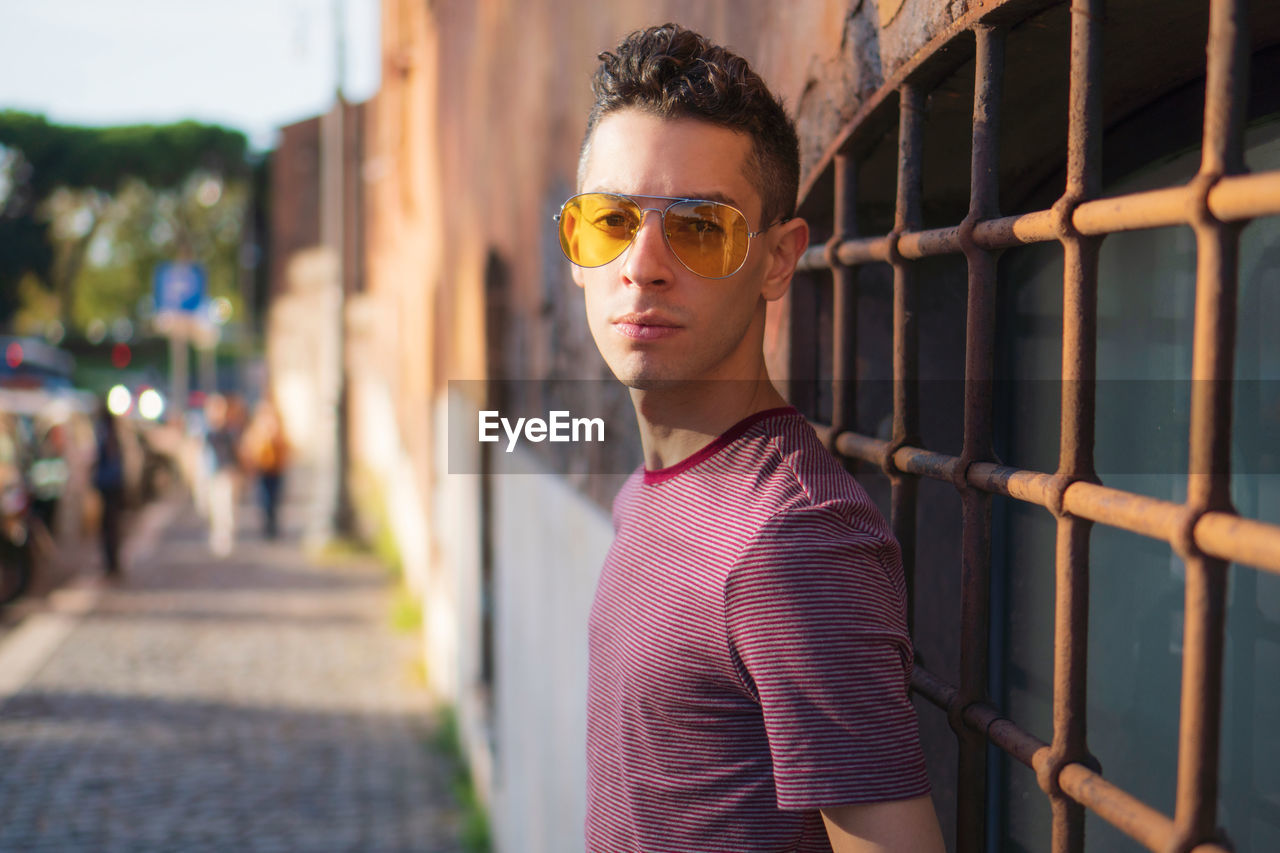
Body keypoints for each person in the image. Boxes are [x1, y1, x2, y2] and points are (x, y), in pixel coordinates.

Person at [561, 24, 945, 852]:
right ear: (575, 249)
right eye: (610, 220)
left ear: (777, 260)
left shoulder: (794, 540)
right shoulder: (651, 485)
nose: (644, 262)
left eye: (700, 227)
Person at [239, 400, 289, 539]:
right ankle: (267, 524)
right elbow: (249, 447)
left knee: (274, 498)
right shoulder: (257, 429)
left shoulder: (279, 429)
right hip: (262, 468)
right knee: (264, 498)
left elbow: (286, 447)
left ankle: (272, 523)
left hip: (276, 469)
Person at [203, 393, 241, 556]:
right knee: (215, 508)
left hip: (226, 475)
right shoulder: (207, 432)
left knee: (226, 508)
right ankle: (219, 536)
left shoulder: (228, 432)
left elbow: (234, 455)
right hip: (213, 475)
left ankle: (225, 538)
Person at [92, 403, 125, 577]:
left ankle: (111, 564)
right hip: (112, 486)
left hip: (108, 486)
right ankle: (112, 563)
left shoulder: (105, 434)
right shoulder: (112, 434)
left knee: (109, 527)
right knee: (111, 527)